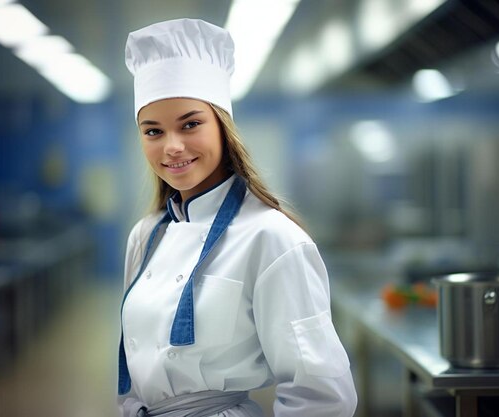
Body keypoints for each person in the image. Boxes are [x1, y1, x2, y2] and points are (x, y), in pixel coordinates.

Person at [117, 18, 358, 417]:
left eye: (190, 124)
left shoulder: (272, 237)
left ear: (222, 127)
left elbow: (322, 396)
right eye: (153, 131)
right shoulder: (145, 237)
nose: (172, 147)